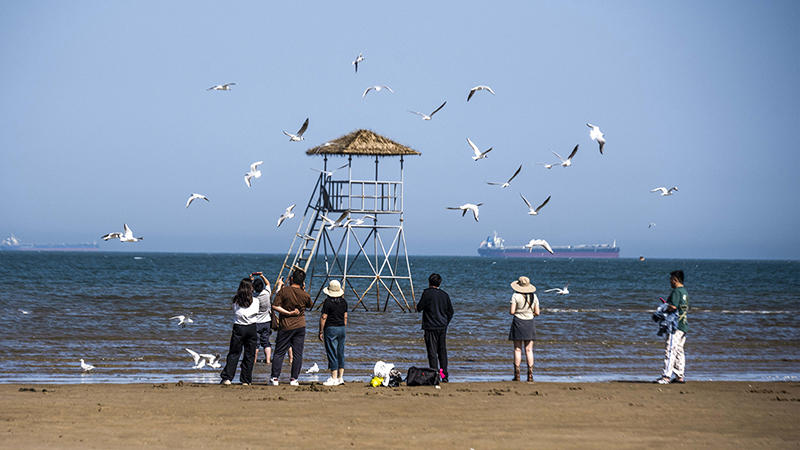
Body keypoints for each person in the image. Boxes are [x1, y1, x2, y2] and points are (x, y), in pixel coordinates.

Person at [270, 269, 312, 386]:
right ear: (303, 282)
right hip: (300, 325)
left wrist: (288, 313)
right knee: (298, 353)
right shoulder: (305, 294)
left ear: (292, 279)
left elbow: (275, 306)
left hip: (286, 325)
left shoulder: (284, 291)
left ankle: (275, 378)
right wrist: (303, 290)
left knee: (279, 352)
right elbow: (309, 305)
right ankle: (294, 379)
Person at [220, 278, 259, 385]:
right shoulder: (256, 301)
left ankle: (227, 378)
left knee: (234, 353)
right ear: (251, 288)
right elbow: (256, 311)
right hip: (251, 328)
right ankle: (246, 379)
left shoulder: (236, 300)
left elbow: (235, 311)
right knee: (249, 355)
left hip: (238, 327)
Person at [416, 273, 454, 382]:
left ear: (429, 282)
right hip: (442, 326)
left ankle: (435, 375)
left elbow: (419, 307)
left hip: (430, 326)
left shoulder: (426, 293)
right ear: (439, 283)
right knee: (442, 351)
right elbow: (450, 312)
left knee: (432, 352)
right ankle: (444, 375)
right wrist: (445, 322)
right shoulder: (444, 295)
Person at [657, 270, 689, 384]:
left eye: (671, 279)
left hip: (675, 327)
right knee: (679, 350)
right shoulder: (684, 292)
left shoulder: (676, 291)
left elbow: (673, 307)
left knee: (670, 350)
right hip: (683, 325)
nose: (670, 282)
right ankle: (680, 376)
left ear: (675, 280)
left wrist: (663, 308)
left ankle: (666, 376)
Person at [508, 276, 540, 382]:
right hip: (530, 322)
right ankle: (530, 375)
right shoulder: (534, 296)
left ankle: (517, 375)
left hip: (518, 322)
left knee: (517, 349)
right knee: (529, 350)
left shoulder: (515, 296)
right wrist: (529, 313)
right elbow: (537, 312)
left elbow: (512, 312)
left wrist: (520, 312)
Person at [318, 279, 348, 386]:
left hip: (331, 328)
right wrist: (343, 327)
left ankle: (333, 377)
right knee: (340, 352)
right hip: (341, 328)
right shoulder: (344, 302)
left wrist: (320, 331)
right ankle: (340, 377)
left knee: (331, 352)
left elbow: (324, 317)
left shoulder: (328, 302)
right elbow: (345, 317)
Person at [250, 272, 272, 365]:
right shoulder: (267, 293)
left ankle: (254, 361)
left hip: (256, 322)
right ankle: (268, 360)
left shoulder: (253, 297)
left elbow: (250, 290)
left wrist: (251, 280)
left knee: (256, 344)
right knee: (266, 342)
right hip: (267, 321)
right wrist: (262, 275)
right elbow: (268, 283)